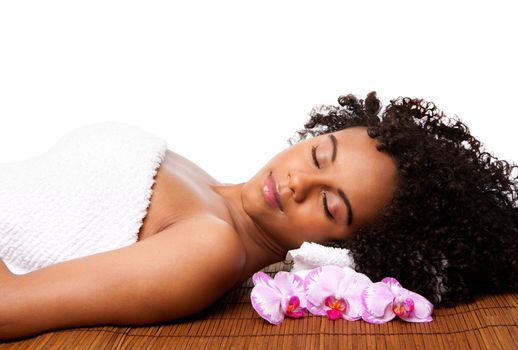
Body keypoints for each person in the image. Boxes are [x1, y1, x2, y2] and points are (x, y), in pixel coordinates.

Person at [1, 91, 516, 341]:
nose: (296, 182)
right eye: (319, 155)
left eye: (330, 205)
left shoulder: (208, 250)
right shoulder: (203, 180)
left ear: (352, 246)